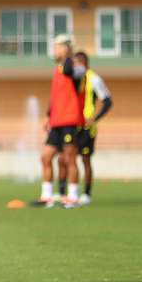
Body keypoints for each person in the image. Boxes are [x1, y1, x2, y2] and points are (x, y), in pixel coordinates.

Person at [36, 35, 84, 208]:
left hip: (70, 120)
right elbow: (55, 97)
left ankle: (73, 197)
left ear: (66, 48)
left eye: (57, 47)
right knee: (45, 157)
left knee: (70, 159)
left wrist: (69, 56)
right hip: (56, 122)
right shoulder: (57, 70)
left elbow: (73, 72)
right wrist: (48, 116)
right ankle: (46, 196)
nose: (54, 50)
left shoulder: (75, 67)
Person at [72, 51, 112, 205]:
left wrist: (94, 119)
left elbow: (108, 102)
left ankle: (86, 194)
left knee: (85, 160)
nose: (73, 67)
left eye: (76, 64)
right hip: (72, 124)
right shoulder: (72, 79)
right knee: (66, 158)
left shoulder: (94, 79)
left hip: (87, 127)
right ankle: (67, 192)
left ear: (83, 63)